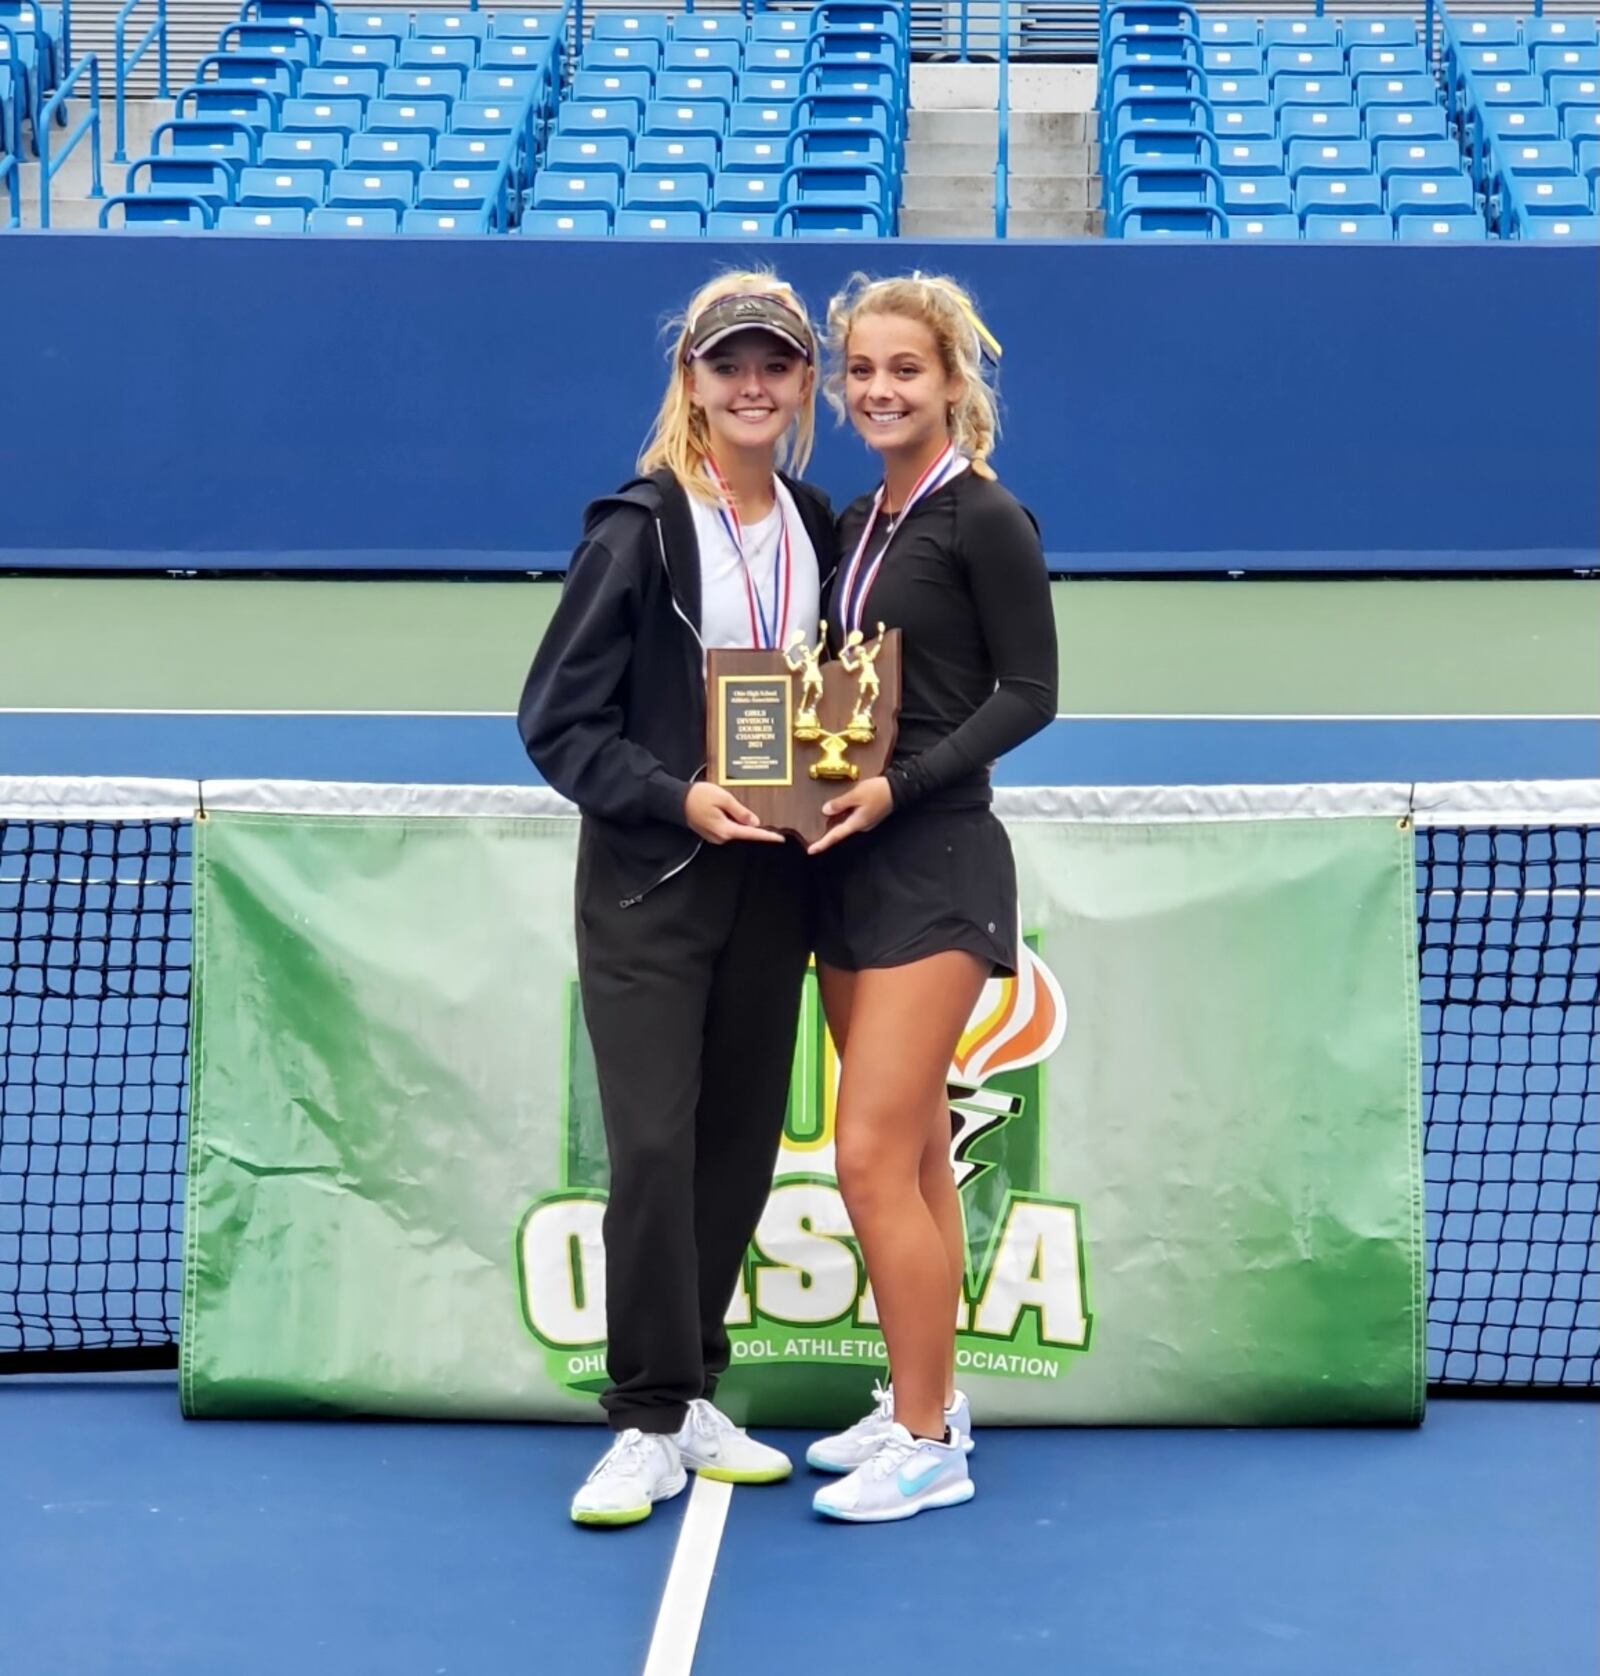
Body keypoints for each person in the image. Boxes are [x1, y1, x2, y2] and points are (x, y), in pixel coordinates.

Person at [518, 273, 835, 1528]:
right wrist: (673, 795)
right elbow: (556, 723)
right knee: (651, 1144)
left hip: (776, 884)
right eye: (727, 366)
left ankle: (694, 1385)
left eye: (774, 365)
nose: (750, 386)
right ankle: (646, 1416)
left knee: (735, 1147)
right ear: (690, 381)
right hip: (654, 882)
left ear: (804, 383)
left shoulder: (816, 520)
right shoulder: (640, 527)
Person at [803, 274, 1058, 1523]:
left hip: (939, 860)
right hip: (842, 859)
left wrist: (901, 787)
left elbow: (1029, 692)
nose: (880, 390)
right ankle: (930, 1395)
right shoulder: (856, 522)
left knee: (862, 1156)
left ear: (952, 381)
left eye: (904, 369)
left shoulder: (985, 518)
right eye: (861, 371)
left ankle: (924, 1441)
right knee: (906, 1158)